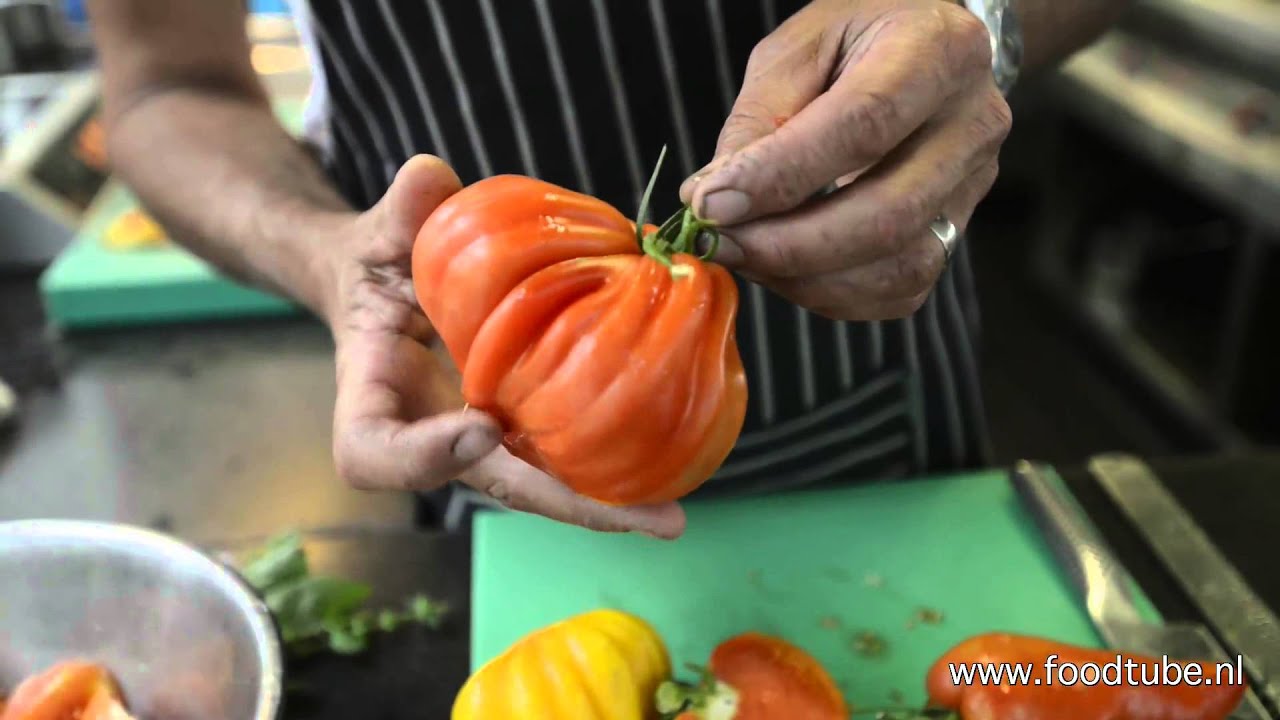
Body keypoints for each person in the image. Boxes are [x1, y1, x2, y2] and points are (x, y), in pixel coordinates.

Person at [85, 0, 1126, 539]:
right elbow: (160, 88)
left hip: (879, 375)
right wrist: (328, 259)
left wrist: (972, 23)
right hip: (460, 417)